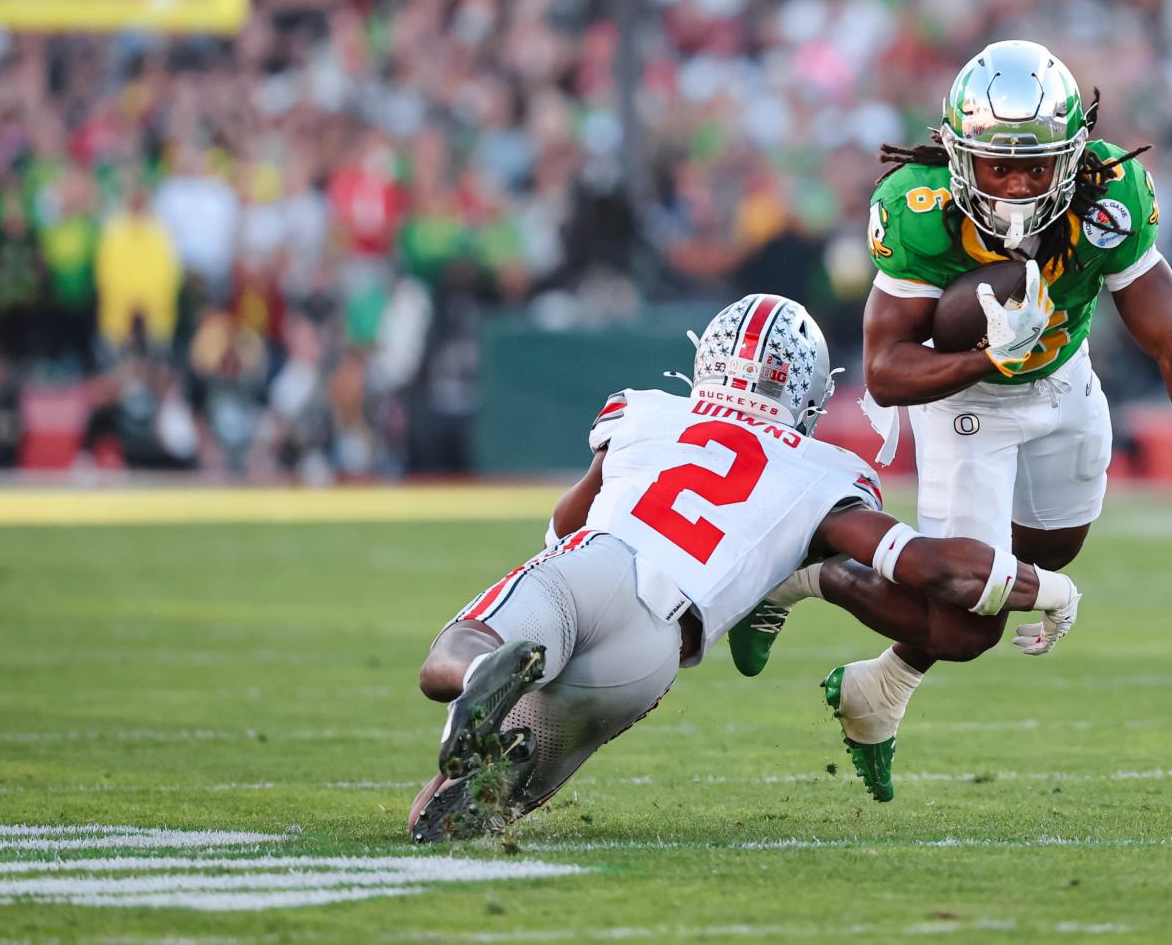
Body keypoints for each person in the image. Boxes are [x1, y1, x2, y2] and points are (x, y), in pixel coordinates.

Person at [728, 41, 1172, 802]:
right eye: (997, 165)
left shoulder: (1113, 196)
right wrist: (984, 359)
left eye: (1034, 165)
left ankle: (880, 687)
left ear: (1072, 158)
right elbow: (885, 368)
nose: (1016, 184)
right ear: (958, 155)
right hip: (964, 402)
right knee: (970, 621)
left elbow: (1171, 336)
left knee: (1054, 546)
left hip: (1065, 379)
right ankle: (808, 574)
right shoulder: (918, 208)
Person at [407, 293, 1083, 840]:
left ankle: (477, 677)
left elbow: (562, 529)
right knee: (516, 772)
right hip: (656, 651)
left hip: (600, 566)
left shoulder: (645, 411)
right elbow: (933, 571)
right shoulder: (825, 473)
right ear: (810, 392)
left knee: (464, 649)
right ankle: (504, 772)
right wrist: (1048, 585)